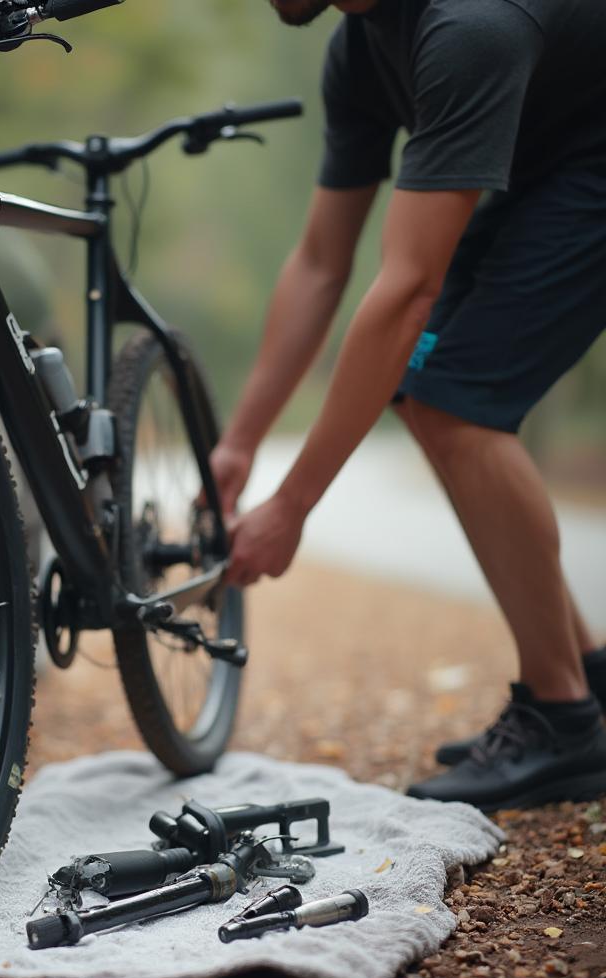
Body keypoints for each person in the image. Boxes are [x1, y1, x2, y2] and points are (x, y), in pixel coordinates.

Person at [212, 0, 606, 810]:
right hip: (550, 171)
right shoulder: (358, 51)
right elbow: (323, 261)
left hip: (592, 168)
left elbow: (405, 292)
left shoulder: (469, 29)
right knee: (431, 401)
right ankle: (589, 679)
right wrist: (241, 442)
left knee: (459, 405)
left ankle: (565, 720)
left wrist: (293, 505)